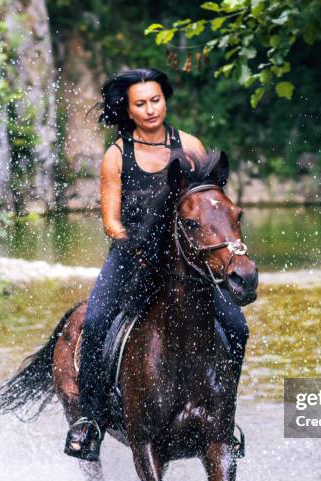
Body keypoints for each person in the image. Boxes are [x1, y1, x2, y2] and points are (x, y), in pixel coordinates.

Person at [65, 68, 249, 461]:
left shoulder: (191, 146)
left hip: (186, 262)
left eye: (155, 100)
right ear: (128, 110)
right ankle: (91, 421)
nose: (150, 109)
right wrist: (132, 246)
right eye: (140, 104)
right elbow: (111, 220)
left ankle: (223, 418)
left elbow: (211, 203)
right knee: (96, 323)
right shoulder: (116, 156)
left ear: (165, 101)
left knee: (236, 326)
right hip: (132, 258)